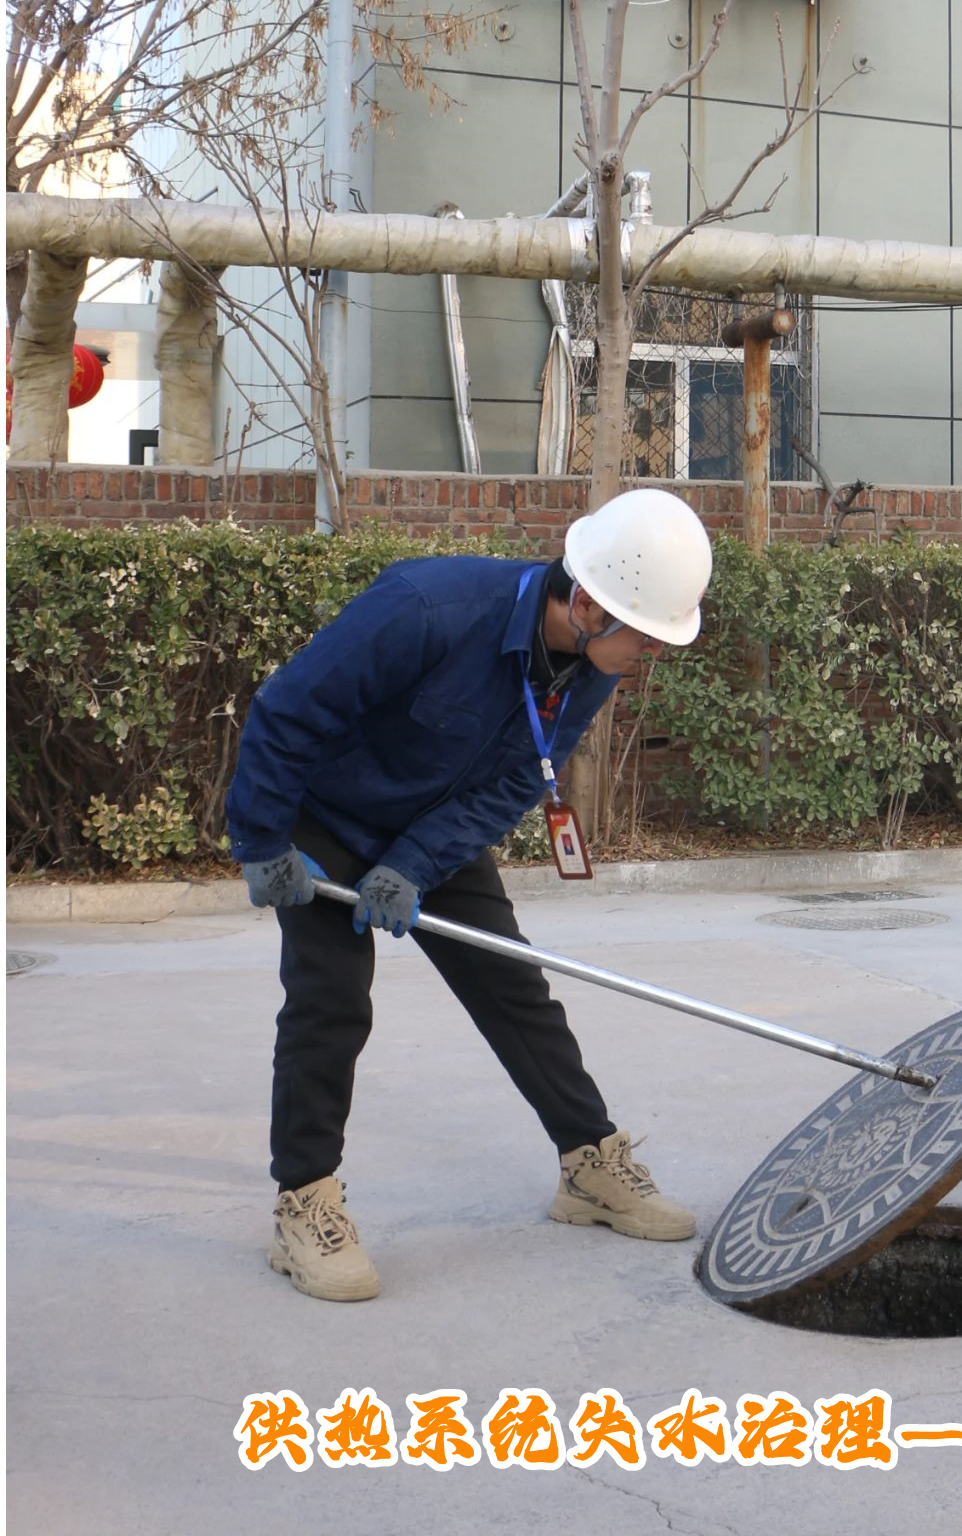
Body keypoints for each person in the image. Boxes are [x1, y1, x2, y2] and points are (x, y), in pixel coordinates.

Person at [226, 488, 714, 1302]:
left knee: (512, 986)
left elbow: (520, 780)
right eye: (645, 635)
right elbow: (285, 714)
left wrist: (413, 864)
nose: (650, 654)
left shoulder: (590, 667)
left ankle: (588, 1165)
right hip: (324, 820)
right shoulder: (427, 609)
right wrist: (263, 843)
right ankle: (304, 1202)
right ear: (588, 605)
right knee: (329, 1000)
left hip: (434, 828)